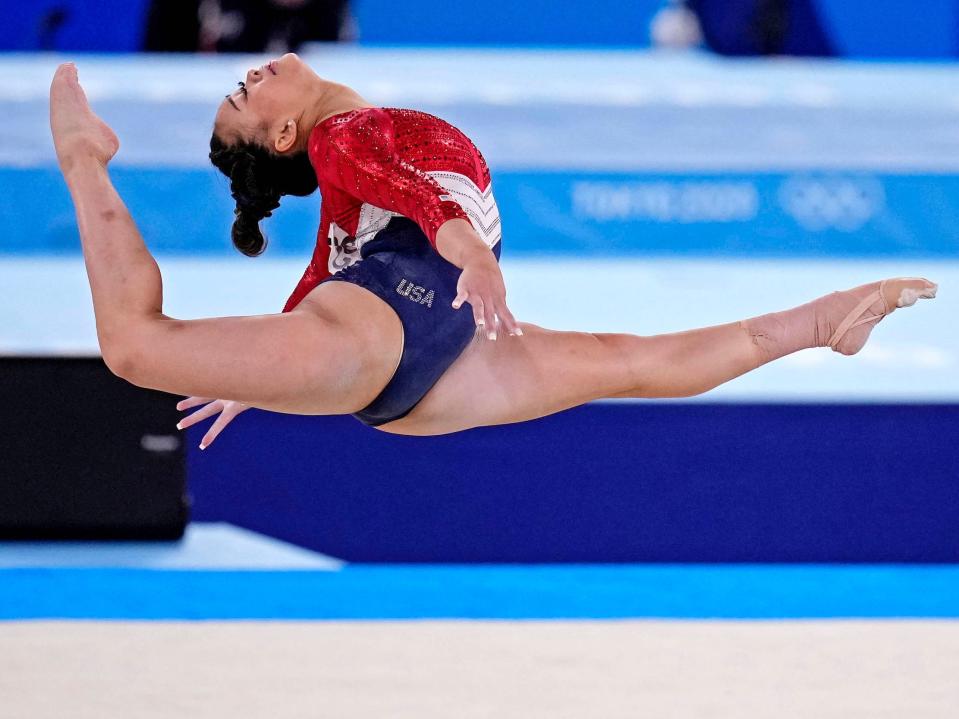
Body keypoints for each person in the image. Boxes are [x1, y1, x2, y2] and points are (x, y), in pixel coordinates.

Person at [48, 59, 937, 449]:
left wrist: (262, 369)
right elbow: (422, 200)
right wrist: (472, 256)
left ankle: (823, 320)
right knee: (132, 346)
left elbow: (336, 261)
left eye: (236, 87)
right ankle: (85, 160)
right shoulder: (345, 136)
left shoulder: (350, 153)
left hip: (412, 369)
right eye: (243, 99)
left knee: (631, 363)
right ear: (286, 133)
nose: (245, 78)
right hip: (430, 326)